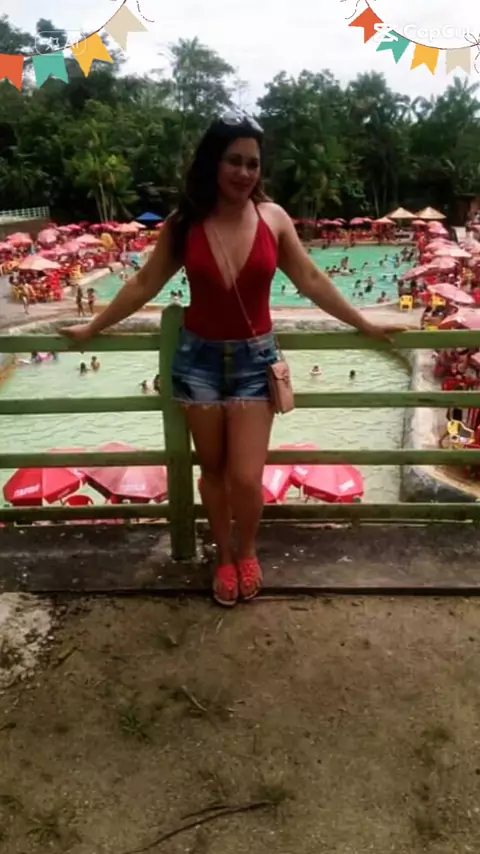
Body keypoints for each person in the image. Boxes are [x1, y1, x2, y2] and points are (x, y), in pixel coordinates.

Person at [60, 110, 407, 608]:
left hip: (254, 362)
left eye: (252, 164)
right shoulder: (184, 224)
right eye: (234, 161)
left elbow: (311, 280)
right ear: (213, 163)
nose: (244, 172)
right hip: (197, 361)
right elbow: (144, 283)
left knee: (245, 476)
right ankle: (223, 555)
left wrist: (365, 323)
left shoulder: (273, 219)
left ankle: (247, 549)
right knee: (214, 472)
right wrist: (93, 327)